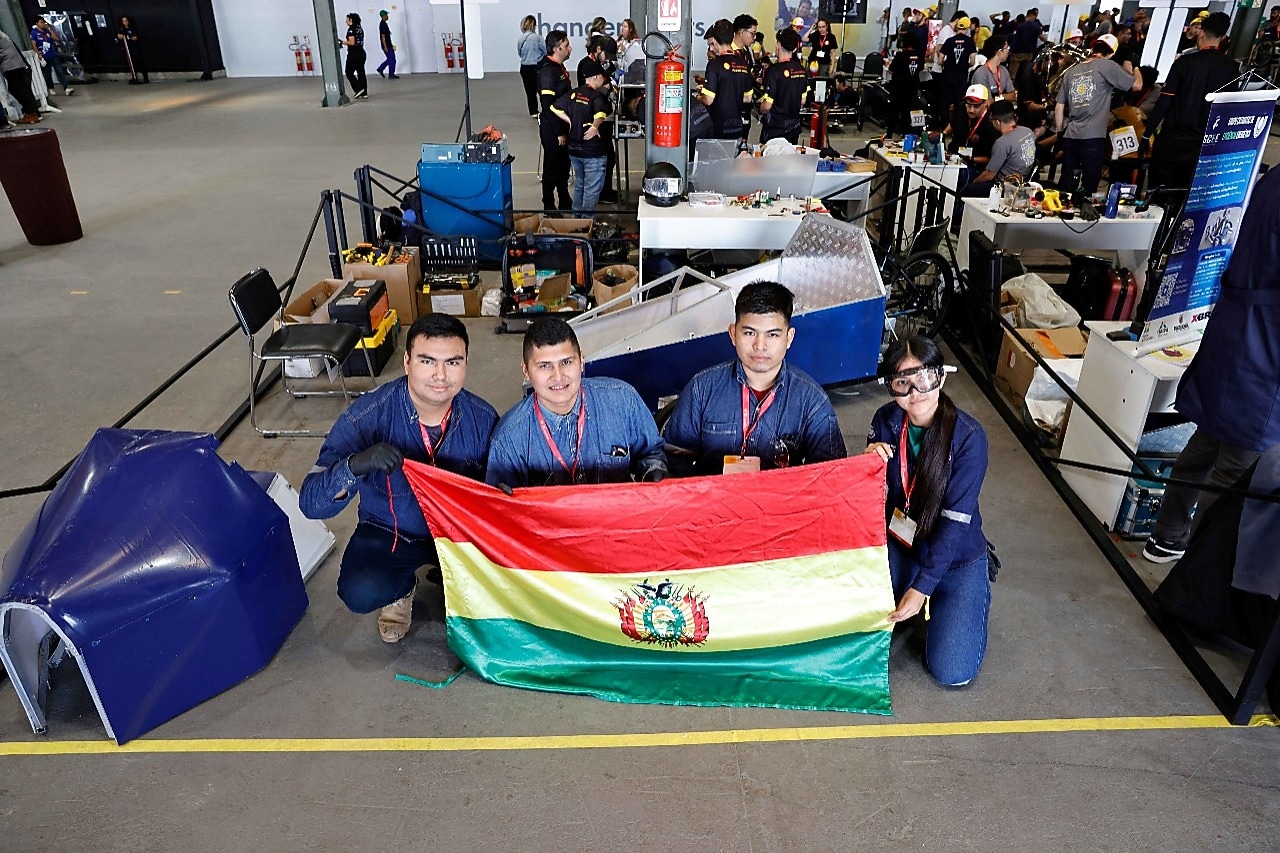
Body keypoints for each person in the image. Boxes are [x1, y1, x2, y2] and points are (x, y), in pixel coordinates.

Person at [299, 315, 499, 643]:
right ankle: (401, 588)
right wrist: (356, 465)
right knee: (360, 590)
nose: (440, 375)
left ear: (465, 364)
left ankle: (455, 583)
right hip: (390, 530)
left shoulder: (483, 419)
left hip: (457, 533)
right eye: (427, 361)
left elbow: (501, 494)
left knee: (504, 590)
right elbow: (311, 503)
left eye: (452, 362)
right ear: (407, 362)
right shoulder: (367, 416)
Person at [1142, 164, 1280, 564]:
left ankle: (1166, 536)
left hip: (1235, 331)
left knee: (1204, 444)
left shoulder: (1271, 178)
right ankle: (1197, 569)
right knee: (1233, 472)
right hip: (1264, 349)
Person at [864, 335, 991, 687]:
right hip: (903, 544)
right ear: (890, 386)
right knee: (857, 620)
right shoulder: (885, 421)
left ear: (942, 377)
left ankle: (963, 597)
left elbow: (954, 526)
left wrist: (922, 589)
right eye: (902, 382)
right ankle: (911, 589)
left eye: (925, 377)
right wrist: (867, 465)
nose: (915, 391)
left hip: (955, 557)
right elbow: (874, 496)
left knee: (952, 673)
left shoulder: (969, 438)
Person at [663, 281, 846, 477]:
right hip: (712, 504)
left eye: (773, 334)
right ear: (733, 334)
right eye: (749, 333)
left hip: (780, 504)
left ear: (789, 338)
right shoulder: (701, 389)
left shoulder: (812, 401)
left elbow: (831, 475)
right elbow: (673, 458)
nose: (760, 345)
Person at [486, 317, 667, 488]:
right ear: (526, 370)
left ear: (581, 361)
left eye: (566, 362)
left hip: (616, 519)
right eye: (544, 366)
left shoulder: (624, 402)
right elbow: (501, 509)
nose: (558, 376)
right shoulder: (508, 440)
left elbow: (651, 452)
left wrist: (653, 471)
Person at [1144, 12, 1240, 194]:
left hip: (1172, 142)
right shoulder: (1232, 68)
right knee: (1186, 196)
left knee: (1158, 195)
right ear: (1223, 37)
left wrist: (1147, 134)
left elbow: (1164, 102)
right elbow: (1228, 110)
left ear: (1201, 33)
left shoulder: (1184, 63)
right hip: (1203, 145)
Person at [1053, 34, 1138, 195]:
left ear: (1093, 49)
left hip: (1071, 135)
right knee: (1089, 186)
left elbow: (1059, 105)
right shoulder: (1107, 65)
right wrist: (1134, 68)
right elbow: (1137, 85)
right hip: (1093, 137)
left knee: (1066, 184)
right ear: (1112, 53)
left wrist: (1059, 132)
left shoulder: (1072, 70)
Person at [551, 58, 611, 213]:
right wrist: (595, 126)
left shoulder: (574, 93)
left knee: (580, 185)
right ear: (597, 77)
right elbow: (600, 115)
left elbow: (554, 107)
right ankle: (586, 223)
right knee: (591, 189)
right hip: (593, 152)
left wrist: (570, 121)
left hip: (574, 150)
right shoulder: (596, 97)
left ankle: (576, 221)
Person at [957, 98, 1036, 207]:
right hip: (1024, 179)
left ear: (998, 122)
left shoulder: (1002, 143)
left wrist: (973, 183)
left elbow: (989, 175)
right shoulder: (1028, 132)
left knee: (963, 187)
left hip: (1004, 187)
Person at [698, 20, 753, 140]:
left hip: (718, 128)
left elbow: (708, 100)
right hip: (737, 127)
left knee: (717, 159)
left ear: (716, 42)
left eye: (712, 44)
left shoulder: (714, 64)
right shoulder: (743, 63)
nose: (711, 49)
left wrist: (697, 97)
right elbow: (747, 98)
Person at [538, 30, 573, 211]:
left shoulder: (558, 69)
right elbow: (548, 105)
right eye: (566, 46)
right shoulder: (547, 73)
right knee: (552, 166)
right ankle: (549, 205)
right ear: (556, 48)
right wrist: (559, 131)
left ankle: (564, 199)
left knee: (564, 166)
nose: (570, 49)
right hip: (553, 129)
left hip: (563, 127)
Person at [758, 27, 810, 144]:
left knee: (770, 161)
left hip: (775, 129)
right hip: (793, 127)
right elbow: (803, 100)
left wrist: (759, 110)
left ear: (778, 44)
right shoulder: (801, 70)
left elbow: (767, 106)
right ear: (795, 48)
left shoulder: (774, 71)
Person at [938, 16, 976, 129]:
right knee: (960, 103)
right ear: (967, 27)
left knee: (945, 102)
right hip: (961, 76)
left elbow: (940, 59)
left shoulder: (949, 41)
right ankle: (958, 127)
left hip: (947, 75)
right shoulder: (970, 42)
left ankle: (944, 127)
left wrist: (947, 65)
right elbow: (973, 61)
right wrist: (965, 65)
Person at [0, 30, 41, 124]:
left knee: (19, 90)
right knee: (22, 89)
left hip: (10, 64)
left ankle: (31, 114)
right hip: (15, 63)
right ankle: (33, 113)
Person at [30, 17, 72, 96]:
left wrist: (49, 29)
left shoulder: (47, 31)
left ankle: (66, 87)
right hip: (44, 56)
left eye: (44, 22)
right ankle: (51, 87)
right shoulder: (34, 33)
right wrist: (38, 53)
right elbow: (34, 44)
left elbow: (56, 38)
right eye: (41, 22)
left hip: (52, 54)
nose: (43, 24)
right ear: (37, 23)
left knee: (59, 71)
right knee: (48, 73)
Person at [1007, 6, 1047, 82]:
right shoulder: (1036, 26)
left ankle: (1011, 90)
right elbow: (1042, 37)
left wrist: (1011, 51)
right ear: (1033, 16)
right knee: (1025, 73)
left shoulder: (1020, 25)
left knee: (1012, 75)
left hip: (1017, 53)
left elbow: (1015, 39)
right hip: (1029, 54)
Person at [517, 15, 546, 118]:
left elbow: (519, 53)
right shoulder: (538, 38)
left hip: (524, 67)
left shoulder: (521, 38)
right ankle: (546, 109)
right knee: (541, 90)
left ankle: (533, 111)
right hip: (536, 66)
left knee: (529, 91)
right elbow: (545, 51)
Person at [970, 35, 1015, 102]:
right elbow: (987, 102)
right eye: (1006, 48)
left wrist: (997, 98)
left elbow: (1013, 95)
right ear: (999, 52)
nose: (1008, 51)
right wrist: (1003, 97)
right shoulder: (981, 73)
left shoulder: (1004, 70)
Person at [341, 13, 367, 99]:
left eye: (347, 19)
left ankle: (358, 89)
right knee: (361, 72)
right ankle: (364, 93)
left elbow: (352, 42)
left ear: (351, 20)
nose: (345, 21)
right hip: (361, 53)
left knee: (348, 72)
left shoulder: (351, 29)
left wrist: (342, 42)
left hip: (354, 54)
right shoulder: (359, 28)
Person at [116, 16, 148, 84]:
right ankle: (134, 77)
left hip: (135, 49)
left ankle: (145, 78)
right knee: (132, 64)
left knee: (140, 63)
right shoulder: (122, 29)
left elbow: (135, 38)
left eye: (126, 21)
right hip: (128, 49)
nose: (125, 22)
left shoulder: (133, 29)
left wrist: (129, 36)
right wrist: (122, 36)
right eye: (124, 21)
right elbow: (119, 36)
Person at [375, 10, 398, 80]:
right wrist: (385, 46)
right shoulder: (382, 25)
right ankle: (391, 75)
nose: (388, 16)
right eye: (386, 15)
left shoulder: (384, 24)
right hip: (386, 46)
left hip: (389, 45)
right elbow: (383, 36)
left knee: (391, 60)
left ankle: (381, 69)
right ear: (383, 16)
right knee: (392, 60)